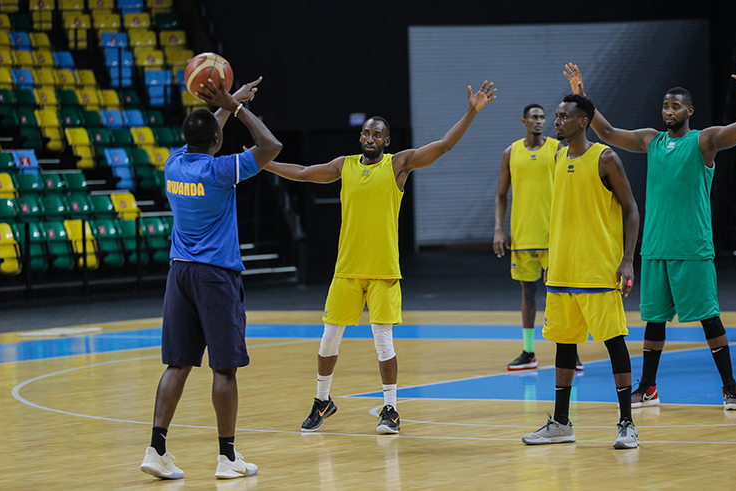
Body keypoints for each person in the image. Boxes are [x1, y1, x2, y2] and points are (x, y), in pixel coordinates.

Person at [263, 81, 497, 435]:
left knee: (383, 340)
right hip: (347, 269)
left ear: (387, 141)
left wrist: (471, 112)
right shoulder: (345, 166)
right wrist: (263, 163)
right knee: (329, 339)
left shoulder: (398, 164)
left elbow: (444, 145)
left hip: (384, 269)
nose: (369, 138)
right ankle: (322, 400)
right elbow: (303, 173)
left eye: (377, 134)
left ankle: (391, 409)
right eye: (365, 133)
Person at [563, 57, 736, 410]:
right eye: (665, 106)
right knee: (654, 322)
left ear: (690, 110)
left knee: (709, 318)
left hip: (692, 246)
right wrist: (583, 97)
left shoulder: (705, 141)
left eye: (675, 106)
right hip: (654, 247)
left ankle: (730, 388)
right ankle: (648, 387)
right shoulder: (650, 140)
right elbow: (606, 133)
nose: (668, 111)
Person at [139, 76, 282, 480]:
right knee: (224, 369)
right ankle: (226, 458)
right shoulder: (221, 171)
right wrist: (236, 108)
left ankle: (157, 448)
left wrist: (227, 102)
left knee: (177, 364)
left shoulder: (173, 163)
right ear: (218, 139)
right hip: (215, 277)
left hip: (179, 273)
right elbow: (271, 147)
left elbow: (205, 133)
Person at [521, 94, 640, 449]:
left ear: (582, 122)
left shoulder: (605, 158)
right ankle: (560, 423)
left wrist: (628, 259)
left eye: (563, 117)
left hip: (598, 269)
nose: (556, 122)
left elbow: (632, 210)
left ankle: (627, 423)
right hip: (562, 269)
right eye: (556, 116)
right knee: (564, 345)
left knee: (614, 343)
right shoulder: (558, 156)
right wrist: (553, 258)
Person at [493, 104, 583, 371]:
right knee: (527, 293)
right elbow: (500, 195)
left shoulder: (557, 149)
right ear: (524, 121)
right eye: (534, 117)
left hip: (554, 235)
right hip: (523, 235)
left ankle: (571, 351)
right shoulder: (511, 152)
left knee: (563, 295)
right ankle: (529, 352)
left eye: (543, 117)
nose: (540, 121)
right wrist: (499, 229)